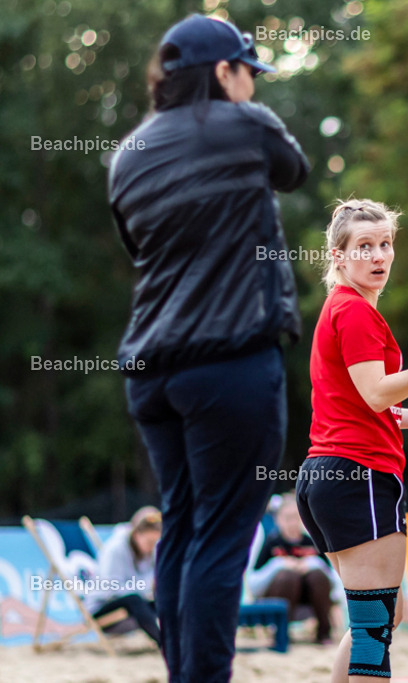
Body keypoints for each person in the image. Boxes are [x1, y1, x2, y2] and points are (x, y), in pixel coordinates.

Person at [108, 14, 309, 682]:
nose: (253, 83)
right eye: (248, 71)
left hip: (151, 370)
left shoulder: (128, 153)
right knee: (223, 536)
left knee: (183, 526)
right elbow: (295, 170)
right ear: (224, 71)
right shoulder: (245, 124)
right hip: (230, 361)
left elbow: (140, 249)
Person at [295, 199, 408, 683]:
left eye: (385, 244)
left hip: (327, 475)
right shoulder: (354, 312)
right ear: (338, 256)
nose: (378, 255)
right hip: (357, 476)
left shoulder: (341, 308)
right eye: (364, 246)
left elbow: (362, 407)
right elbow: (378, 394)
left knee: (378, 620)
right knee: (373, 627)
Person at [248, 493, 337, 643]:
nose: (292, 522)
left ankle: (323, 633)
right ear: (278, 519)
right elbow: (254, 582)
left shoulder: (312, 543)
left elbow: (332, 578)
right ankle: (282, 632)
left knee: (317, 576)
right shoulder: (272, 543)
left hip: (309, 593)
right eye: (287, 518)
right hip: (279, 593)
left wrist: (311, 563)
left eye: (296, 517)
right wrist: (279, 564)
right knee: (288, 577)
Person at [85, 507, 162, 645]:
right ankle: (162, 642)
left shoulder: (150, 551)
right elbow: (110, 589)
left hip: (134, 605)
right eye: (149, 542)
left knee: (164, 598)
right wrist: (144, 590)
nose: (152, 547)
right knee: (135, 600)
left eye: (155, 542)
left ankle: (176, 640)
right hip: (101, 607)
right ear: (137, 534)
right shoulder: (115, 549)